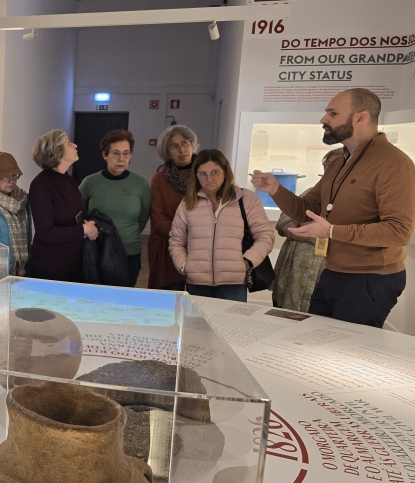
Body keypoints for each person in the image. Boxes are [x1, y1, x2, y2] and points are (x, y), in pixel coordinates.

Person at [252, 88, 415, 327]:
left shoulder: (394, 164)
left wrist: (331, 231)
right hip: (333, 271)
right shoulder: (339, 162)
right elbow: (306, 209)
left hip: (371, 278)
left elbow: (399, 231)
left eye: (333, 113)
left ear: (360, 117)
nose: (323, 119)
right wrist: (276, 189)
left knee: (347, 347)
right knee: (315, 337)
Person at [169, 149, 273, 302]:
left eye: (215, 172)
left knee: (231, 318)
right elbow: (176, 240)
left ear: (225, 172)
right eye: (202, 174)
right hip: (197, 283)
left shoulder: (246, 199)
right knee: (198, 318)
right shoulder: (188, 203)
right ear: (196, 176)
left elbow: (265, 236)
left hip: (233, 283)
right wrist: (184, 266)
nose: (209, 178)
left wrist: (247, 262)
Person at [271, 149, 342, 312]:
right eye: (328, 164)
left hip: (326, 272)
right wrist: (306, 236)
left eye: (337, 164)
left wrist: (307, 231)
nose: (331, 169)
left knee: (319, 318)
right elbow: (284, 221)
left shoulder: (354, 200)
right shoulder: (311, 192)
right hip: (293, 273)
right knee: (285, 315)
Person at [79, 129, 150, 287]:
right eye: (116, 153)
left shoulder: (140, 184)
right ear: (105, 155)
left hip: (129, 252)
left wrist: (122, 236)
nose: (121, 159)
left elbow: (143, 218)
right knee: (96, 297)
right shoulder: (90, 183)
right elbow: (77, 214)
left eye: (126, 153)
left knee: (124, 298)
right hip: (97, 251)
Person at [28, 129, 98, 283]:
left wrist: (87, 226)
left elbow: (72, 216)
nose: (75, 145)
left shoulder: (69, 180)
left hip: (73, 265)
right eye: (68, 142)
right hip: (50, 268)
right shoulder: (41, 185)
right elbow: (45, 232)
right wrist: (83, 230)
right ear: (56, 152)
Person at [149, 125, 198, 291]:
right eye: (174, 147)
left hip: (202, 247)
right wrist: (188, 236)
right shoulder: (159, 179)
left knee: (200, 299)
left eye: (185, 143)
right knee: (170, 300)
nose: (182, 150)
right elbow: (158, 219)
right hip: (168, 246)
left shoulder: (207, 174)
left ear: (192, 144)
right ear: (167, 152)